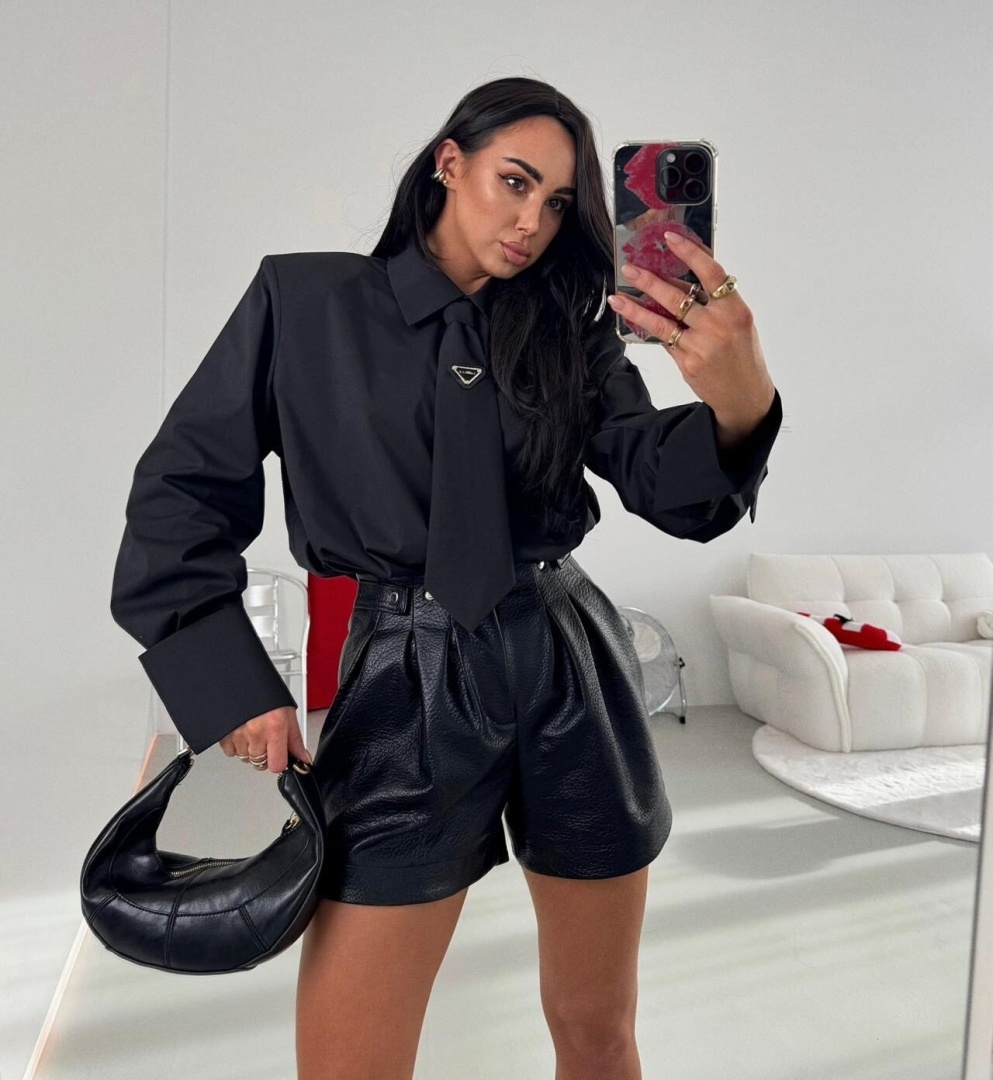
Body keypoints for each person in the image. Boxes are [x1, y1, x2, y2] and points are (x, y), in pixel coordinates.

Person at [110, 76, 781, 1080]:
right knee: (349, 1066)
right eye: (515, 181)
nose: (532, 222)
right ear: (449, 162)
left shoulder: (568, 326)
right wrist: (229, 682)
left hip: (569, 665)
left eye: (559, 202)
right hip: (404, 675)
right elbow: (180, 493)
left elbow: (662, 482)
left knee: (598, 1031)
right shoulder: (304, 303)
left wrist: (740, 400)